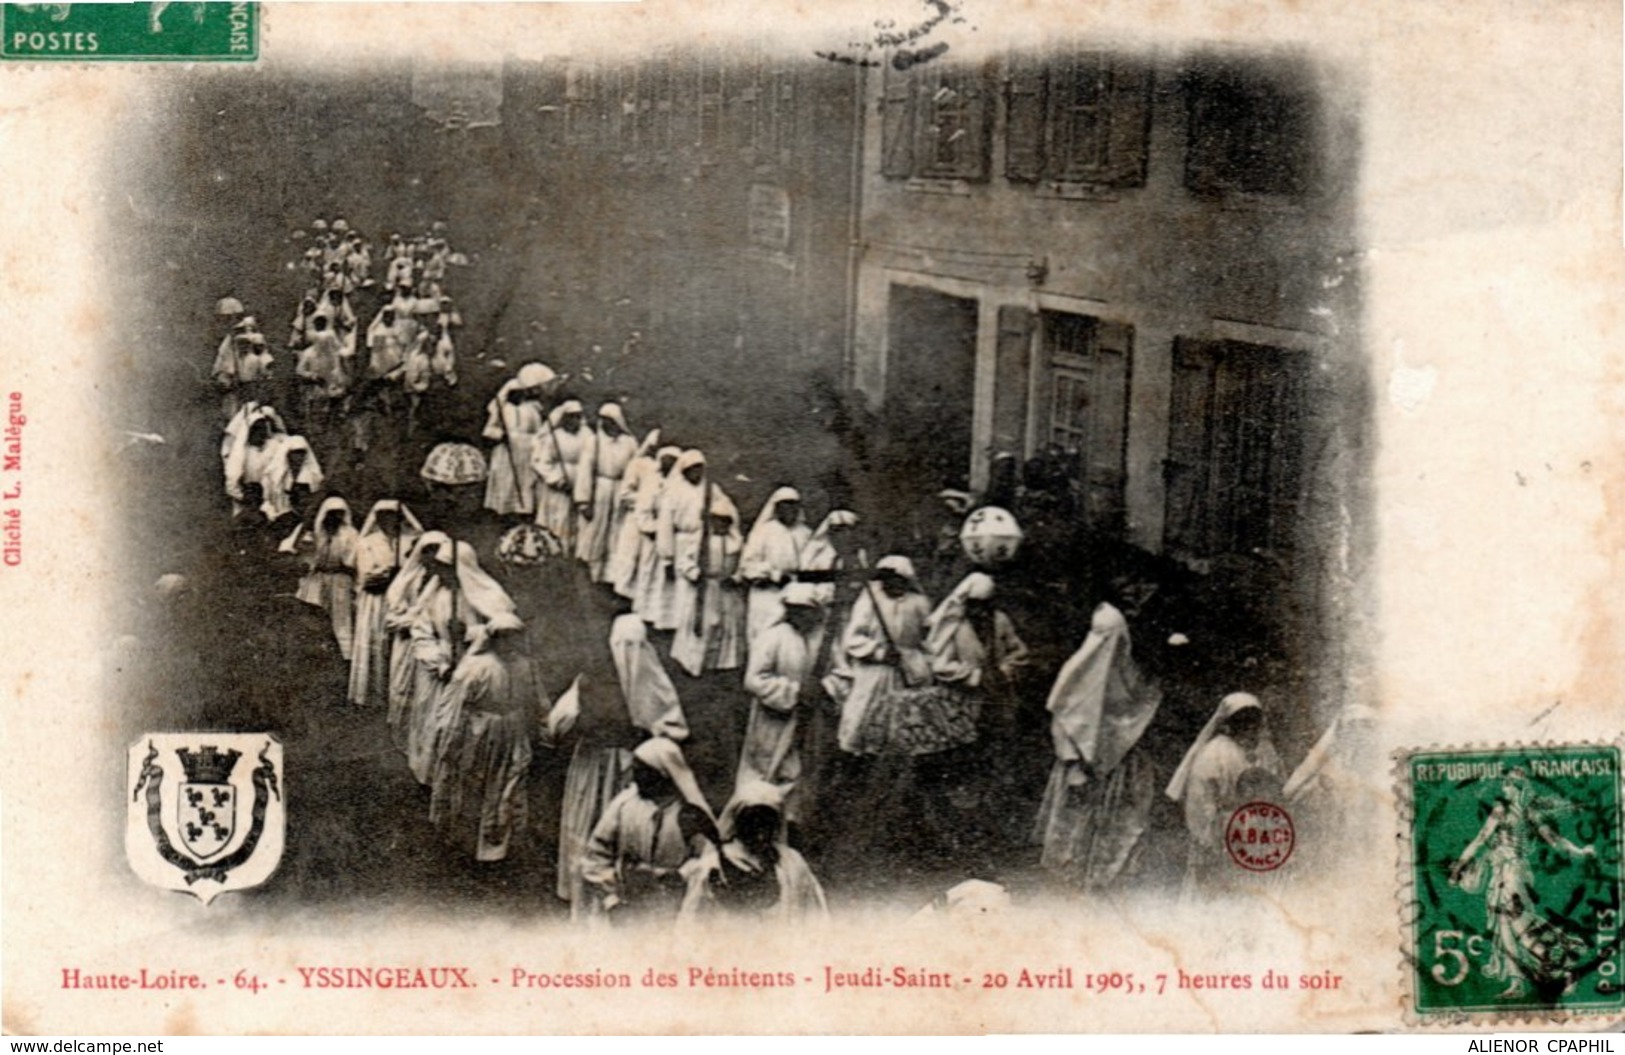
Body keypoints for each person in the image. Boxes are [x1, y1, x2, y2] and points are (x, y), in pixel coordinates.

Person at [556, 614, 690, 909]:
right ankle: (587, 893)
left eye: (634, 646)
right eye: (621, 645)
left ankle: (619, 893)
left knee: (625, 828)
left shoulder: (652, 681)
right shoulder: (593, 680)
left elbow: (673, 729)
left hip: (632, 768)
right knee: (591, 827)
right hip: (594, 765)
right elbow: (559, 722)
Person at [1033, 602, 1162, 890]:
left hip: (1123, 763)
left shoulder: (1129, 671)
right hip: (1083, 766)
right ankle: (1074, 882)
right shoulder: (1077, 673)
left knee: (1121, 831)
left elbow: (1140, 706)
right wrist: (1072, 762)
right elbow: (1064, 716)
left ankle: (1111, 880)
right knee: (1076, 830)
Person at [1448, 767, 1596, 999]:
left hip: (1513, 873)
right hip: (1506, 873)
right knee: (1507, 927)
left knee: (1521, 926)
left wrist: (1459, 867)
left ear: (1516, 788)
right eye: (1504, 784)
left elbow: (1482, 840)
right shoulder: (1516, 811)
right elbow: (1555, 842)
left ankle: (1566, 967)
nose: (1503, 788)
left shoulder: (1514, 811)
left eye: (1507, 784)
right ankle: (1517, 983)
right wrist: (1581, 852)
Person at [404, 538, 519, 784]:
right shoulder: (435, 596)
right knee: (437, 725)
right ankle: (434, 781)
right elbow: (421, 632)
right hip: (441, 671)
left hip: (477, 672)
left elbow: (507, 632)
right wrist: (439, 663)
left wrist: (470, 634)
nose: (441, 575)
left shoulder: (490, 596)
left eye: (447, 569)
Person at [430, 614, 542, 863]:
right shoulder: (475, 667)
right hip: (480, 733)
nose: (508, 644)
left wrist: (536, 727)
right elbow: (453, 706)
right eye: (502, 638)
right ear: (493, 639)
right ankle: (468, 843)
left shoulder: (525, 665)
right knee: (476, 782)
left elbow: (536, 700)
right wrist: (450, 739)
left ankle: (501, 844)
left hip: (514, 730)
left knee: (509, 782)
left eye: (513, 638)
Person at [580, 737, 718, 921]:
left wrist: (680, 874)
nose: (635, 776)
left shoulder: (689, 812)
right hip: (626, 904)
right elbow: (596, 855)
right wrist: (611, 901)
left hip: (675, 907)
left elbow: (707, 858)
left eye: (642, 770)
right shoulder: (624, 804)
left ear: (663, 774)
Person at [1165, 692, 1283, 898]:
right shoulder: (1214, 753)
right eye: (1242, 719)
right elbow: (1200, 801)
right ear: (1230, 722)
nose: (1249, 725)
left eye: (1254, 719)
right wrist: (1212, 836)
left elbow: (1278, 787)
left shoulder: (1266, 751)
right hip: (1223, 832)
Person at [679, 781, 829, 925]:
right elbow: (690, 925)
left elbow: (815, 916)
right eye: (752, 822)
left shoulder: (792, 862)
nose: (760, 834)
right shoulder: (711, 866)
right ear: (737, 821)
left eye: (767, 823)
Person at [736, 583, 823, 824]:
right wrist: (793, 693)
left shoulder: (820, 639)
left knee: (801, 769)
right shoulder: (774, 636)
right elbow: (754, 679)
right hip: (773, 718)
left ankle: (793, 821)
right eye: (795, 609)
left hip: (809, 717)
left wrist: (824, 690)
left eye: (806, 610)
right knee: (768, 767)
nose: (800, 615)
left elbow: (839, 671)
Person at [829, 556, 933, 755]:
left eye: (893, 578)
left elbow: (929, 640)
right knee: (865, 720)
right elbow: (852, 639)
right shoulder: (870, 602)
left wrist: (921, 662)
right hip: (874, 671)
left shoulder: (919, 603)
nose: (887, 583)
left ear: (904, 579)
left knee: (908, 725)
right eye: (883, 578)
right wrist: (880, 652)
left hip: (909, 670)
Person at [348, 500, 425, 708]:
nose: (387, 521)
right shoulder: (367, 543)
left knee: (400, 645)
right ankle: (376, 696)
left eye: (391, 516)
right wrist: (389, 573)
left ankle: (400, 694)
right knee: (378, 641)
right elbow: (366, 578)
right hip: (377, 600)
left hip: (404, 600)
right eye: (382, 516)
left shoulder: (411, 541)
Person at [384, 530, 450, 752]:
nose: (431, 557)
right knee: (403, 688)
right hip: (405, 645)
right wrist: (409, 620)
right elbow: (391, 616)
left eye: (436, 552)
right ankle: (400, 740)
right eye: (427, 552)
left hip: (429, 645)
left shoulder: (444, 583)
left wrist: (411, 619)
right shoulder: (408, 578)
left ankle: (421, 746)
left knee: (424, 700)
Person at [670, 488, 746, 678]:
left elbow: (743, 566)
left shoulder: (736, 543)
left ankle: (723, 663)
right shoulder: (700, 541)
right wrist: (695, 574)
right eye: (716, 520)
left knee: (727, 624)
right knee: (704, 624)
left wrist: (735, 577)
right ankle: (695, 661)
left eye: (724, 521)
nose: (720, 524)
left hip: (726, 591)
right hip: (704, 589)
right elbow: (683, 561)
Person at [739, 487, 811, 647]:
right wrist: (773, 575)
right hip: (768, 595)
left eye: (793, 505)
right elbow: (748, 564)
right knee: (765, 637)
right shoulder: (763, 532)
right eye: (785, 505)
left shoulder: (805, 533)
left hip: (796, 594)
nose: (790, 509)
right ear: (776, 507)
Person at [576, 403, 639, 583]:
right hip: (600, 489)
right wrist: (584, 501)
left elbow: (635, 469)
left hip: (621, 489)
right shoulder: (594, 442)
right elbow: (585, 471)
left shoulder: (630, 443)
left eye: (611, 421)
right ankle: (593, 571)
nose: (607, 425)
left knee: (617, 531)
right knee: (597, 529)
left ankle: (613, 576)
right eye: (603, 421)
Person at [482, 362, 554, 518]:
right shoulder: (503, 409)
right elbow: (489, 430)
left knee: (527, 487)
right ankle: (505, 517)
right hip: (508, 453)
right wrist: (501, 435)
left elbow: (539, 431)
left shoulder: (534, 408)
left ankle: (525, 514)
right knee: (507, 485)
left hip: (529, 453)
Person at [294, 496, 360, 662]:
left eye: (338, 513)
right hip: (319, 579)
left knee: (341, 618)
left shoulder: (350, 534)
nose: (334, 518)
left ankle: (344, 656)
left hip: (340, 581)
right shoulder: (317, 532)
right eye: (331, 513)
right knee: (315, 614)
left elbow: (354, 560)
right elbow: (304, 555)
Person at [631, 445, 683, 628]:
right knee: (652, 576)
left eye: (673, 463)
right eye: (665, 462)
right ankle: (648, 614)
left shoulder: (682, 487)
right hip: (654, 541)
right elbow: (642, 512)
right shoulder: (652, 484)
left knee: (671, 581)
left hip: (675, 541)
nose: (668, 466)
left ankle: (670, 619)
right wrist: (653, 529)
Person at [606, 429, 663, 597]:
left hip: (656, 520)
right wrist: (645, 500)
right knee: (628, 554)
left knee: (647, 560)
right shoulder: (638, 464)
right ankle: (622, 591)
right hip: (634, 517)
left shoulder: (668, 469)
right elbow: (625, 493)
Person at [532, 399, 589, 550]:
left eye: (577, 416)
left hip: (582, 482)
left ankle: (576, 549)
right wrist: (557, 480)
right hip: (558, 485)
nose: (574, 420)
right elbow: (542, 462)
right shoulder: (554, 437)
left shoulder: (588, 435)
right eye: (570, 417)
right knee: (558, 517)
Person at [259, 434, 324, 522]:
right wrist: (272, 514)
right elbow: (265, 500)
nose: (298, 457)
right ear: (288, 454)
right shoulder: (273, 474)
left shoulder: (313, 476)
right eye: (295, 453)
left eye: (301, 453)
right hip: (277, 517)